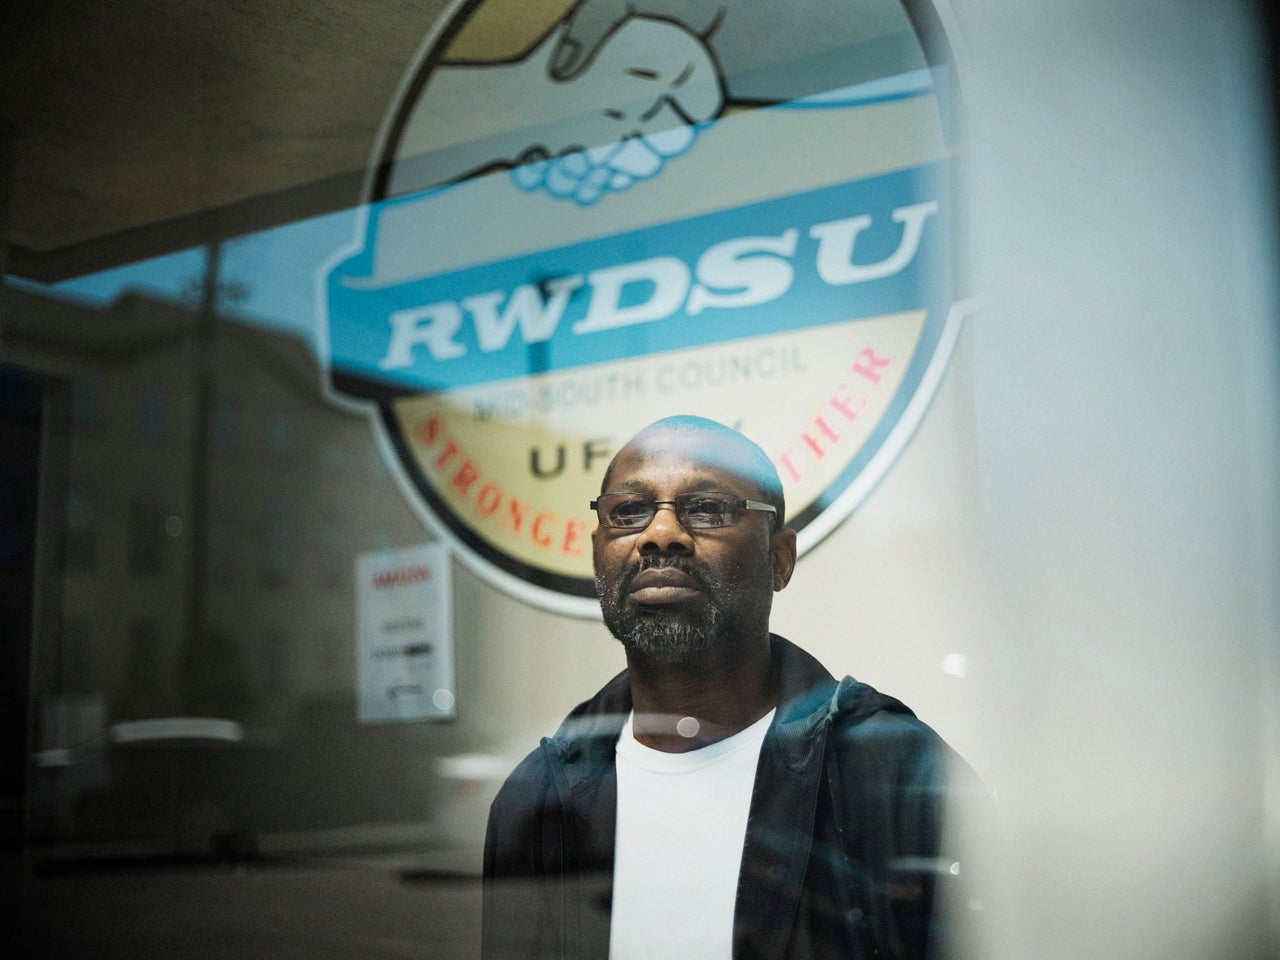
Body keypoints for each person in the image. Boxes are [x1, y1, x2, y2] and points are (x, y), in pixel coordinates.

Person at [482, 415, 978, 960]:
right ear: (598, 548)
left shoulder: (892, 770)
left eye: (707, 509)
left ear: (780, 559)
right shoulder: (540, 795)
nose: (660, 534)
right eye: (628, 512)